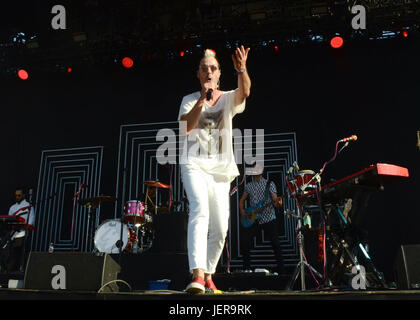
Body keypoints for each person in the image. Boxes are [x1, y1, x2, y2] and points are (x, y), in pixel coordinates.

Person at [178, 46, 251, 293]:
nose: (209, 71)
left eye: (213, 68)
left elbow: (246, 92)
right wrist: (202, 100)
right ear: (198, 74)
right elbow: (185, 127)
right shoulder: (189, 100)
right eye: (204, 68)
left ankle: (209, 275)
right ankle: (197, 275)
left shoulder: (229, 97)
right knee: (200, 210)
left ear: (219, 73)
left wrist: (242, 69)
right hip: (194, 163)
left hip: (220, 168)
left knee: (221, 227)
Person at [239, 163, 284, 274]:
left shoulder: (269, 184)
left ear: (262, 171)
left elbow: (275, 200)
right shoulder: (248, 185)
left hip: (268, 217)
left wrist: (278, 203)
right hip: (253, 218)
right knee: (245, 242)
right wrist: (242, 210)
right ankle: (246, 268)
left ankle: (281, 270)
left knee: (276, 244)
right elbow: (241, 200)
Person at [1, 188, 35, 272]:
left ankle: (13, 270)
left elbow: (31, 222)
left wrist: (23, 226)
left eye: (19, 195)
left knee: (17, 254)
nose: (17, 197)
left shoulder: (28, 207)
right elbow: (9, 220)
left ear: (23, 196)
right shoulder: (12, 207)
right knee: (7, 252)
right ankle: (6, 270)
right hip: (11, 234)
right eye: (16, 195)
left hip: (21, 233)